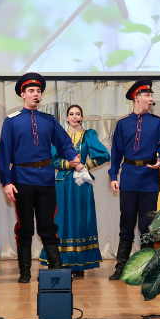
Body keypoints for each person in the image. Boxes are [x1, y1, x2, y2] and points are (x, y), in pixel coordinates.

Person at [0, 73, 80, 283]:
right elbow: (4, 154)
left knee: (47, 226)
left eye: (38, 91)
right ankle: (25, 271)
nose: (36, 94)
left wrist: (72, 156)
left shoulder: (49, 121)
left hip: (45, 180)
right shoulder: (11, 121)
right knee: (24, 227)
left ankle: (56, 269)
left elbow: (64, 143)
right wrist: (6, 182)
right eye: (31, 91)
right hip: (21, 180)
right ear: (23, 94)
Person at [107, 78, 160, 281]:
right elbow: (116, 152)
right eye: (147, 95)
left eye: (151, 96)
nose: (150, 99)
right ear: (137, 97)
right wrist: (113, 175)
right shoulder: (123, 123)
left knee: (147, 226)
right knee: (126, 223)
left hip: (150, 178)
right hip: (128, 177)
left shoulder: (158, 122)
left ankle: (146, 268)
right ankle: (121, 267)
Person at [40, 105, 110, 276]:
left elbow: (104, 155)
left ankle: (79, 264)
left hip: (81, 183)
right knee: (61, 219)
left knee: (81, 219)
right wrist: (68, 164)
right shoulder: (59, 135)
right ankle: (60, 262)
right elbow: (51, 160)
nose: (74, 117)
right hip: (63, 183)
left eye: (78, 114)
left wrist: (84, 166)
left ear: (82, 118)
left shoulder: (88, 135)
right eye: (71, 114)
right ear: (66, 118)